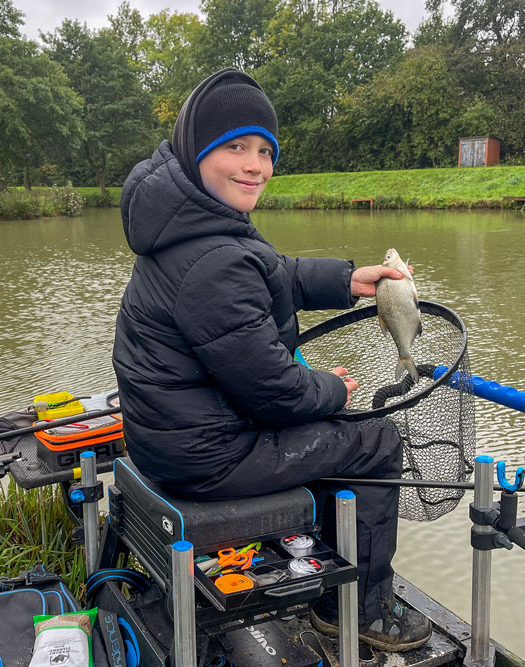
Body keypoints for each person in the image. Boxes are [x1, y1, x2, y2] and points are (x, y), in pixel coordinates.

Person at [112, 68, 432, 652]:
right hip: (208, 457)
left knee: (338, 433)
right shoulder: (211, 258)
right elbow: (276, 394)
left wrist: (349, 278)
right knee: (376, 440)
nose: (254, 164)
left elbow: (272, 271)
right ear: (195, 150)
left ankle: (332, 571)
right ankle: (359, 611)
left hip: (175, 438)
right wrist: (333, 390)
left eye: (264, 150)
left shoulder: (189, 224)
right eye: (234, 147)